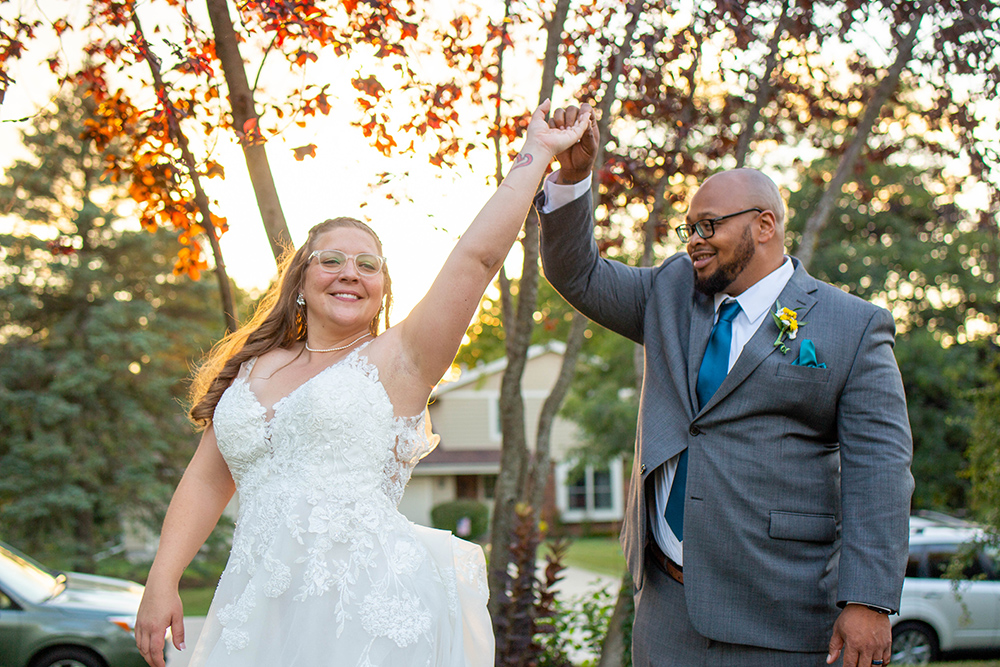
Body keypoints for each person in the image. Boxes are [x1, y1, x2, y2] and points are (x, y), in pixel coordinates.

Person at [133, 100, 592, 667]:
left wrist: (537, 154)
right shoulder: (251, 369)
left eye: (367, 264)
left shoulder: (400, 360)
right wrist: (163, 579)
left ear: (381, 288)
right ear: (300, 279)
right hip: (255, 605)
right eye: (331, 259)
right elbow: (206, 479)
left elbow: (475, 259)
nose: (349, 272)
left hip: (362, 613)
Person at [537, 104, 913, 667]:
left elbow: (880, 468)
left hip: (782, 611)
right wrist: (572, 179)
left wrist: (868, 600)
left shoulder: (852, 325)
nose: (694, 240)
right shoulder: (669, 293)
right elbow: (578, 274)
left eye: (708, 225)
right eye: (689, 228)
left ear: (765, 225)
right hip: (667, 613)